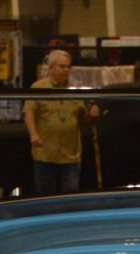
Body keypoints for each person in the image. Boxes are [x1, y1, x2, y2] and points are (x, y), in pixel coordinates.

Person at [23, 49, 98, 195]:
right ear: (51, 68)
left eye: (68, 66)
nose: (66, 70)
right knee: (45, 195)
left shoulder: (74, 90)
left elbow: (83, 119)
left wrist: (91, 114)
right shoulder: (39, 88)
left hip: (70, 155)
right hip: (45, 153)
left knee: (70, 196)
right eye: (62, 66)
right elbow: (28, 112)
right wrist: (33, 134)